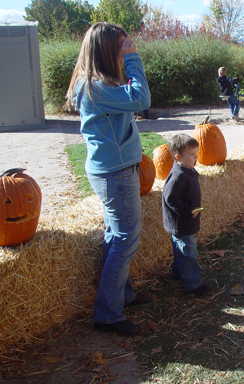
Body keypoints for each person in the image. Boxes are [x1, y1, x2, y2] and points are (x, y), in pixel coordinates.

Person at [65, 23, 152, 336]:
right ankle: (107, 313)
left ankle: (122, 296)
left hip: (110, 169)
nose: (124, 51)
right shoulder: (96, 88)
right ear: (106, 51)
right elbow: (142, 98)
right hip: (114, 172)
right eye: (120, 47)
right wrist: (133, 59)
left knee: (116, 235)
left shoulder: (96, 84)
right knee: (126, 238)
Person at [162, 134, 212, 296]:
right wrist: (188, 211)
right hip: (180, 221)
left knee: (181, 249)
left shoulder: (187, 169)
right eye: (191, 154)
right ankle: (193, 284)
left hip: (186, 219)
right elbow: (170, 198)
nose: (196, 157)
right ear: (178, 157)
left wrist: (196, 213)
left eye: (196, 153)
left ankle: (178, 273)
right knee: (188, 253)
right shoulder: (178, 176)